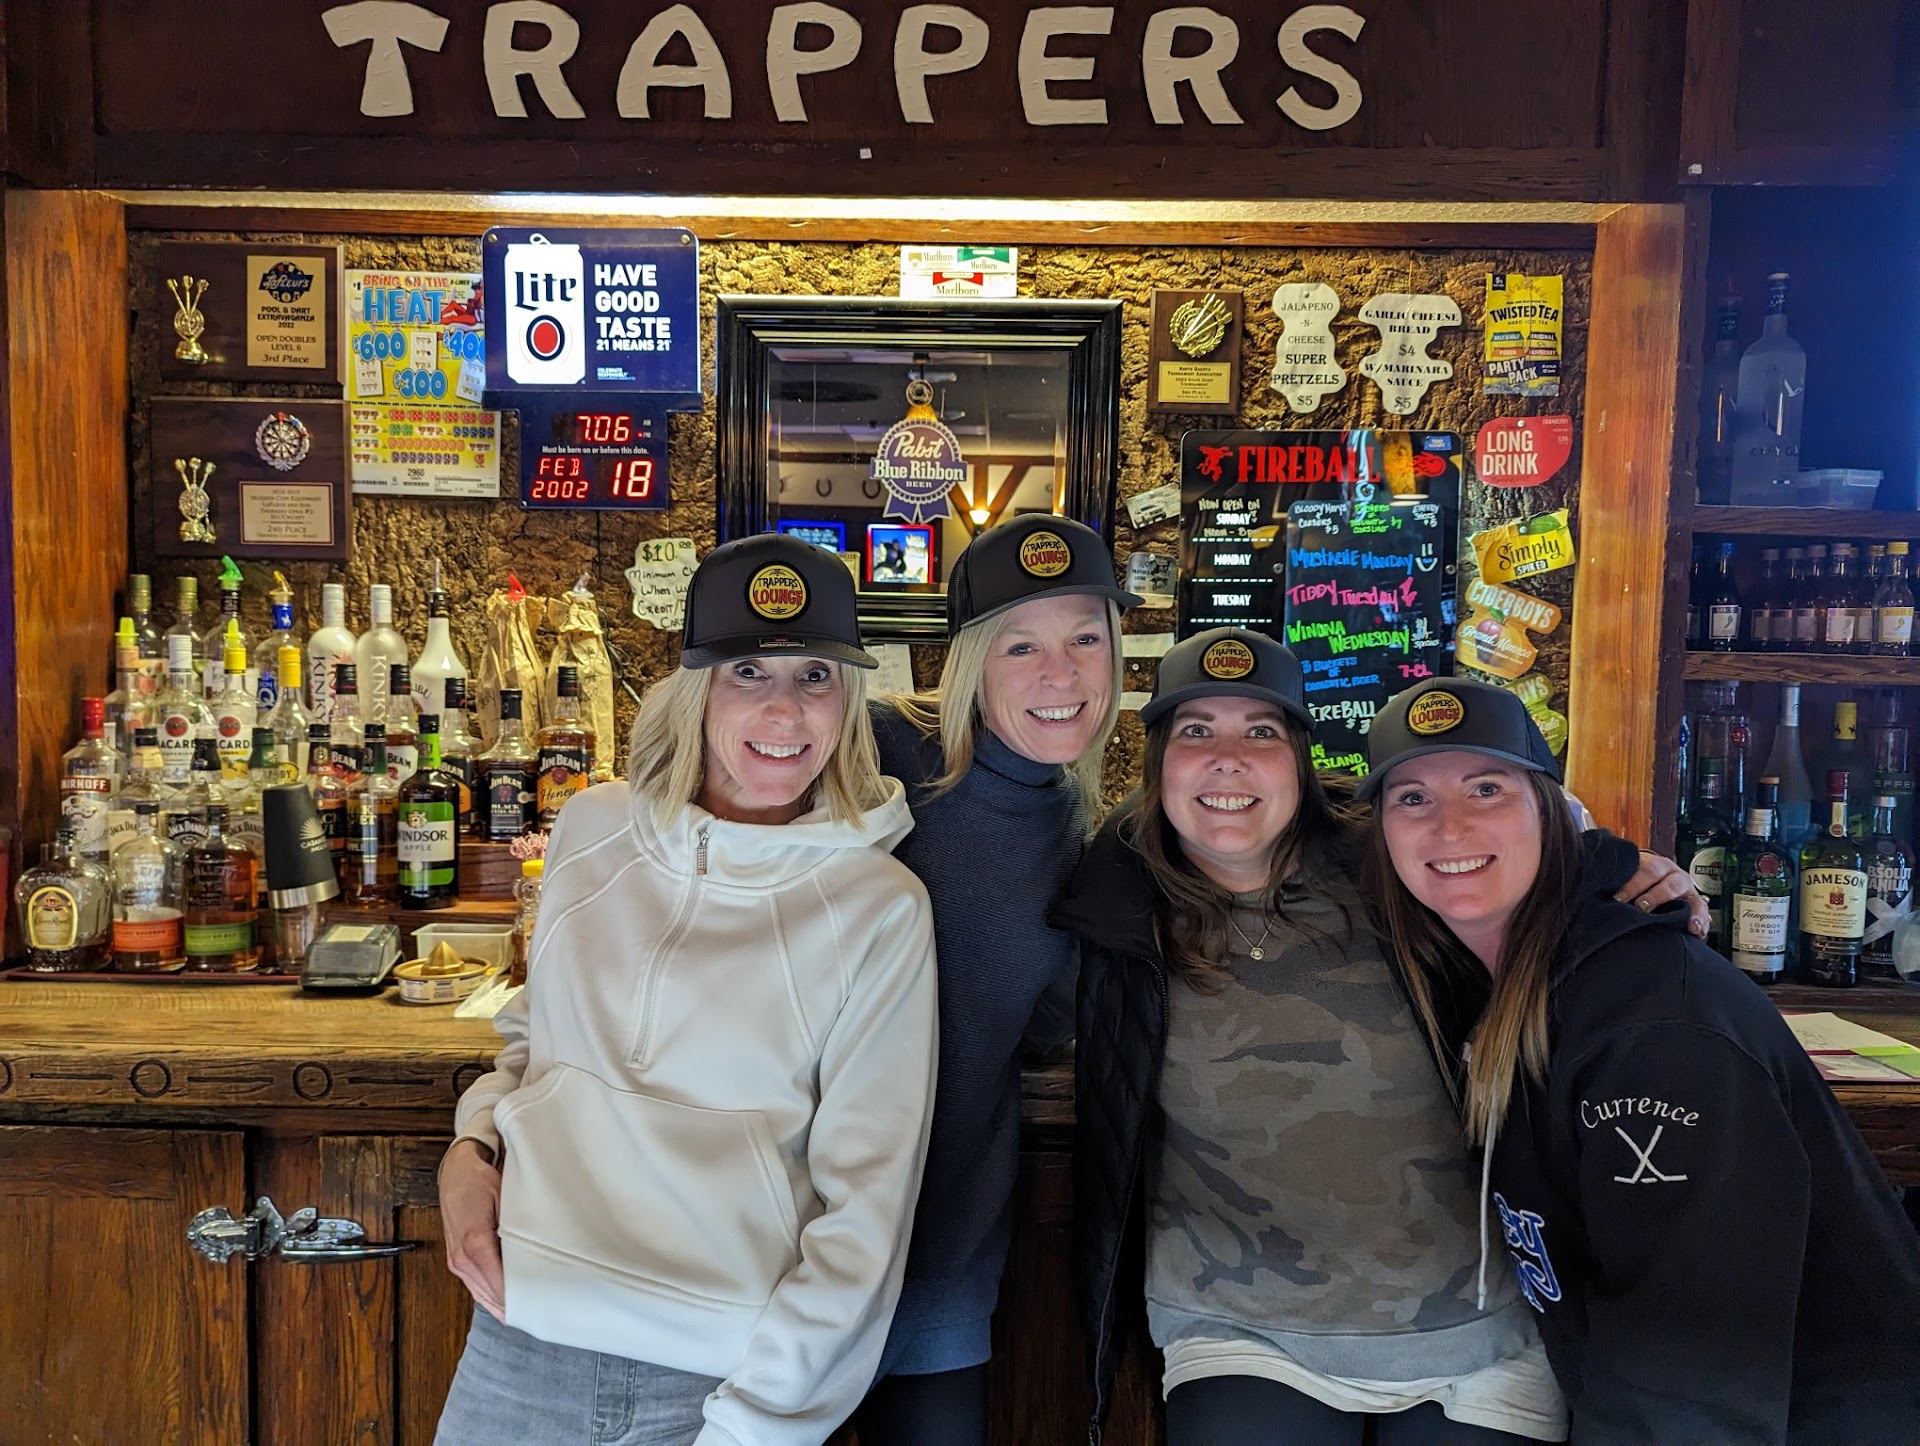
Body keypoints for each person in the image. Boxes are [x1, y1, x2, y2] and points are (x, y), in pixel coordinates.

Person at [1057, 629, 1705, 1446]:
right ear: (1157, 766)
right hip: (1242, 1328)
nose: (1228, 760)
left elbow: (1523, 843)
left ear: (1302, 760)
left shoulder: (1397, 863)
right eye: (1195, 731)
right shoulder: (1114, 901)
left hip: (1482, 1331)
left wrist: (1622, 869)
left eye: (1261, 731)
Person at [435, 534, 939, 1446]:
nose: (786, 709)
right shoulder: (591, 828)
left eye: (816, 676)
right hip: (520, 1342)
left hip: (718, 1379)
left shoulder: (881, 906)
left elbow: (866, 1215)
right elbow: (533, 1044)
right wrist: (470, 1148)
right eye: (748, 670)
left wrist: (755, 1427)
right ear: (695, 687)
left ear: (848, 703)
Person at [1363, 677, 1920, 1444]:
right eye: (1412, 798)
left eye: (1486, 788)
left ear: (1551, 812)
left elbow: (1688, 1382)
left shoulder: (1655, 1032)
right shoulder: (1492, 978)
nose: (1450, 826)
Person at [849, 514, 1141, 1446]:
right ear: (972, 662)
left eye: (1085, 639)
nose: (1062, 674)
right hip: (782, 1238)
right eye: (1022, 646)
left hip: (941, 1248)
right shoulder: (875, 751)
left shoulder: (1080, 830)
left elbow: (1037, 1022)